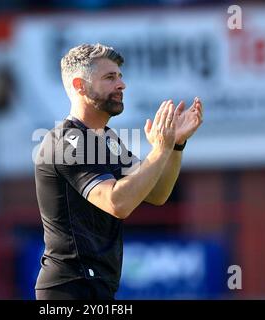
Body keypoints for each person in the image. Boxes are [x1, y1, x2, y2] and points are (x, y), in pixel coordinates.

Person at [34, 43, 203, 300]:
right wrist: (160, 149)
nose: (121, 85)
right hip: (70, 288)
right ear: (80, 85)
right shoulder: (67, 141)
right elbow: (117, 203)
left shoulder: (108, 139)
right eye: (110, 77)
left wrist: (174, 146)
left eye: (120, 77)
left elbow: (157, 193)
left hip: (98, 286)